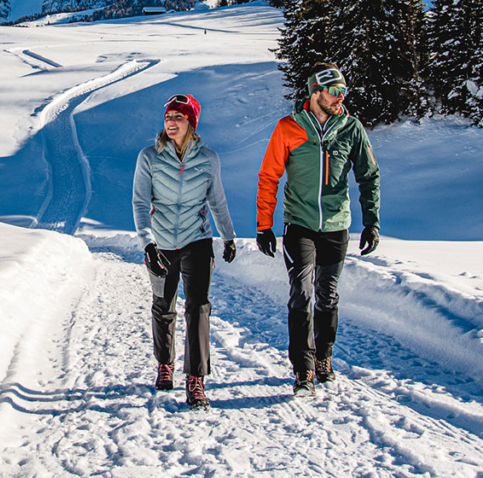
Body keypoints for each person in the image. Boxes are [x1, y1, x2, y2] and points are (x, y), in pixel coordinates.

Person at [256, 63, 380, 397]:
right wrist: (264, 226)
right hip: (299, 225)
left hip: (337, 226)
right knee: (302, 293)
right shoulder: (288, 128)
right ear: (315, 92)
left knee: (327, 295)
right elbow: (269, 176)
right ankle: (303, 369)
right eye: (335, 92)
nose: (341, 98)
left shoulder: (351, 128)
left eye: (344, 92)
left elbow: (369, 176)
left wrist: (372, 221)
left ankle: (324, 357)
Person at [133, 93, 237, 410]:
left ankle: (196, 379)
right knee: (164, 306)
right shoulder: (149, 157)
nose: (171, 122)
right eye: (168, 117)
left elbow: (217, 201)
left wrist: (228, 237)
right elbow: (139, 202)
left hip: (197, 241)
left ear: (191, 122)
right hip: (160, 244)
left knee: (198, 307)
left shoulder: (208, 160)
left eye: (178, 117)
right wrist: (147, 243)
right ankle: (165, 363)